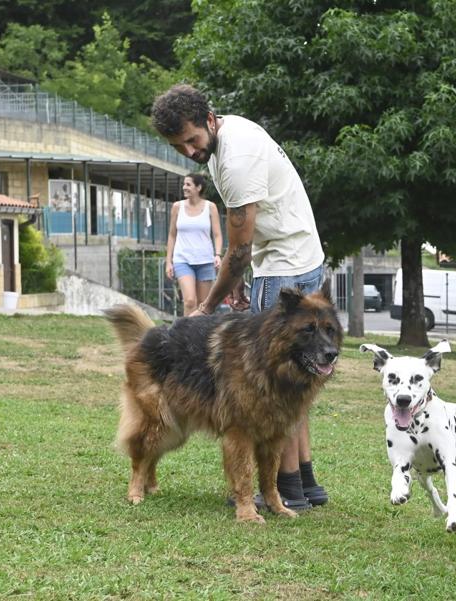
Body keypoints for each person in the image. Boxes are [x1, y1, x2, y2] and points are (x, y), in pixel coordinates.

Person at [151, 84, 328, 510]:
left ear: (209, 120)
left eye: (192, 140)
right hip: (300, 254)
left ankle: (284, 489)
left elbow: (238, 251)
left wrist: (207, 307)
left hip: (283, 265)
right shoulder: (234, 135)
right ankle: (305, 482)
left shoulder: (235, 160)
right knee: (298, 375)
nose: (190, 151)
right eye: (180, 146)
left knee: (270, 386)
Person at [164, 173, 223, 316]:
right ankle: (185, 336)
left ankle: (201, 337)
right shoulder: (177, 207)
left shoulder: (211, 207)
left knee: (204, 305)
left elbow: (217, 234)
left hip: (205, 261)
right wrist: (168, 262)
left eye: (188, 184)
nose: (184, 187)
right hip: (182, 260)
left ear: (199, 187)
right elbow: (172, 235)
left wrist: (218, 255)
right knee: (190, 301)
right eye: (184, 184)